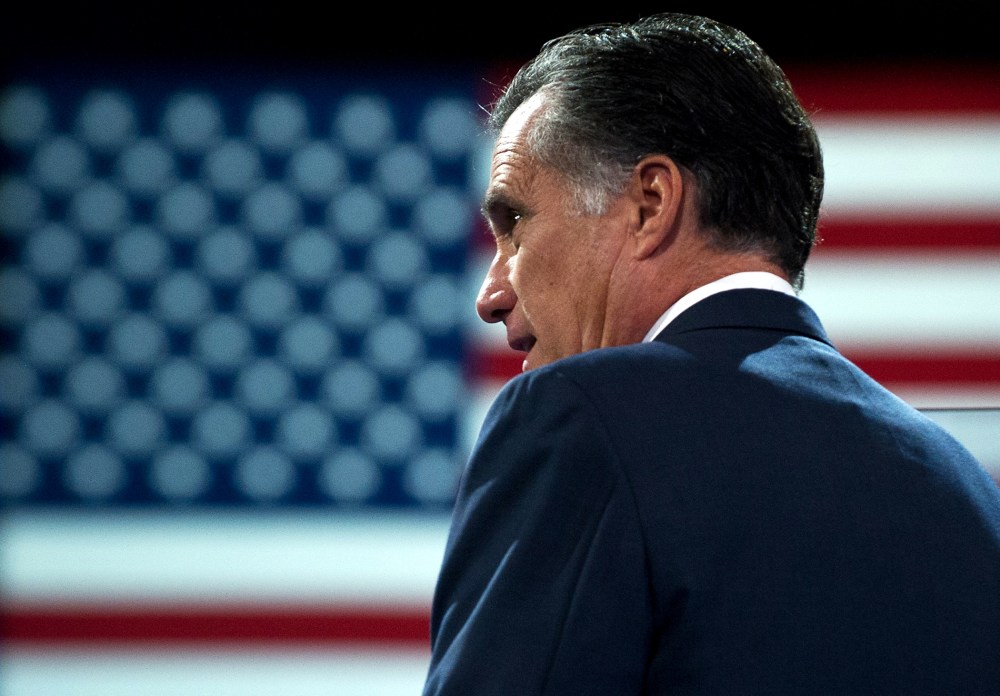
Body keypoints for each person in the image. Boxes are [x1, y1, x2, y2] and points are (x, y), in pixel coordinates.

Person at [421, 12, 1000, 695]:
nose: (490, 294)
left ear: (650, 202)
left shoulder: (586, 420)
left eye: (515, 223)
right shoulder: (964, 488)